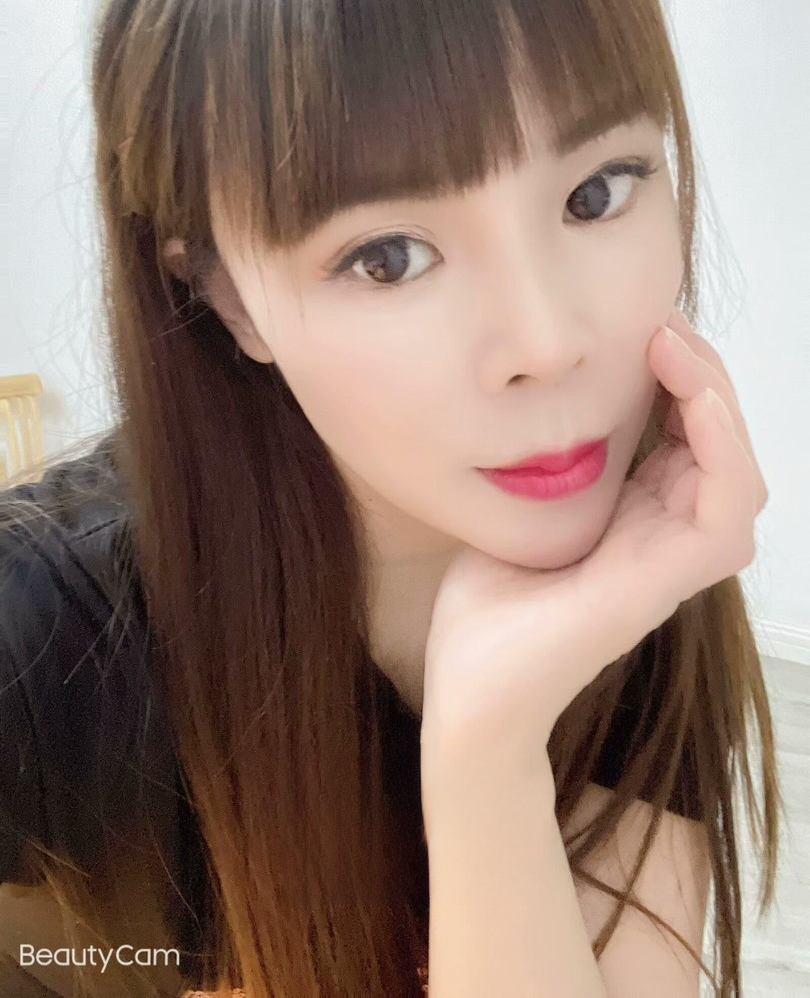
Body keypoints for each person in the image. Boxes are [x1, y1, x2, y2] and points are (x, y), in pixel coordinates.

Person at [0, 0, 783, 995]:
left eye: (595, 193)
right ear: (228, 297)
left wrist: (489, 755)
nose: (548, 343)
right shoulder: (45, 638)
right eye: (388, 257)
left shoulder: (639, 551)